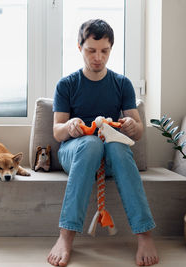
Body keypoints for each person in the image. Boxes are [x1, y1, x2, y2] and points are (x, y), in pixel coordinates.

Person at [47, 19, 159, 267]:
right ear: (79, 48)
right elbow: (57, 132)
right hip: (76, 154)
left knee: (117, 145)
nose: (98, 57)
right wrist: (70, 127)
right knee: (91, 144)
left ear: (111, 49)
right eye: (91, 50)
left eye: (104, 51)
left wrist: (132, 126)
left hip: (111, 156)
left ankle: (144, 235)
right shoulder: (66, 85)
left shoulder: (122, 84)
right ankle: (66, 236)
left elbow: (139, 131)